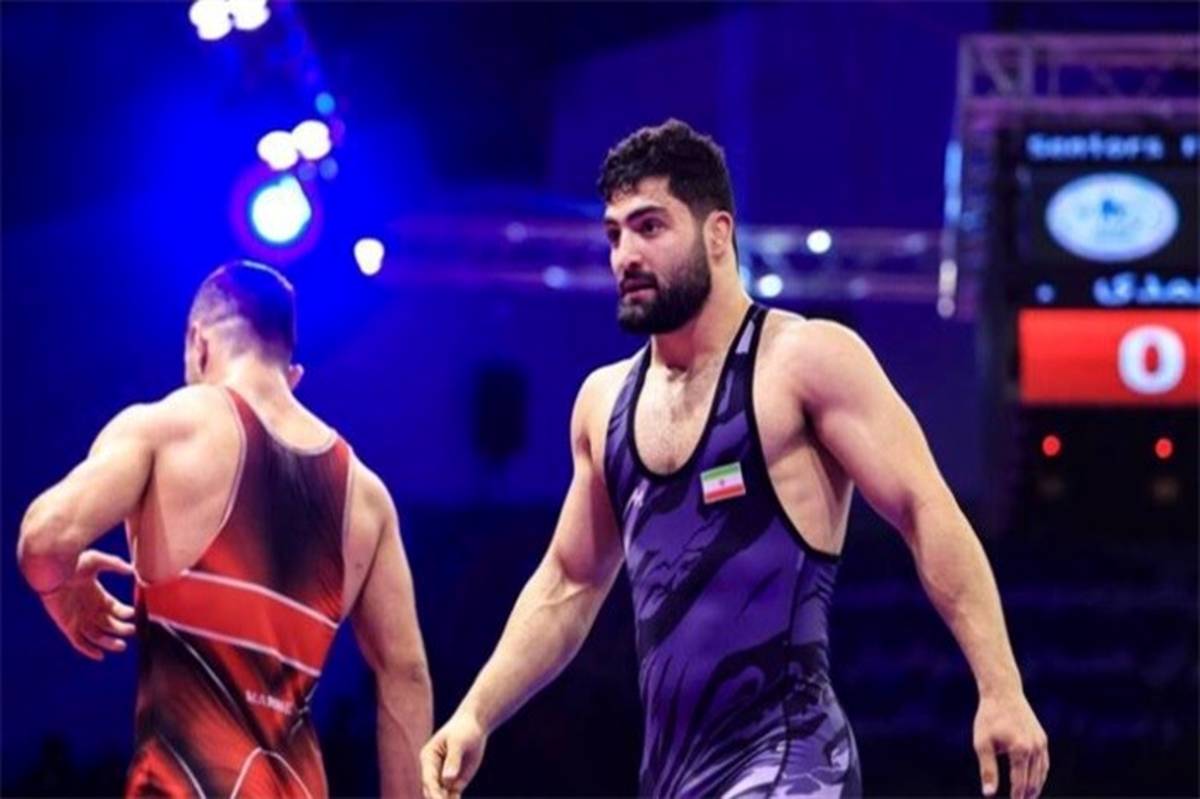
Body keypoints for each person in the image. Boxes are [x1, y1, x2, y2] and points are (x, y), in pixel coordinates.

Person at [421, 120, 1047, 798]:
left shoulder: (803, 362)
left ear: (718, 233)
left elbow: (925, 510)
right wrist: (475, 713)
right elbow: (570, 581)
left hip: (796, 762)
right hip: (674, 776)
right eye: (615, 234)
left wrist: (1001, 688)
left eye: (650, 226)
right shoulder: (603, 403)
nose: (626, 254)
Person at [18, 260, 432, 798]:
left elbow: (43, 541)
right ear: (292, 373)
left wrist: (60, 590)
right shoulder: (367, 496)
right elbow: (406, 677)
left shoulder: (171, 427)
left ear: (199, 344)